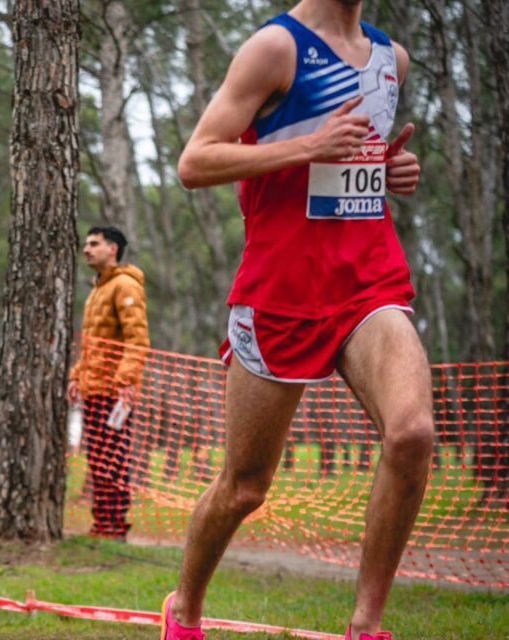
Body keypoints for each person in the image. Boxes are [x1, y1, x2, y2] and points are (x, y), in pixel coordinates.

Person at [165, 1, 429, 639]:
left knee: (412, 433)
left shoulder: (391, 58)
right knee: (246, 486)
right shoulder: (276, 49)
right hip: (281, 291)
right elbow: (195, 162)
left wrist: (391, 170)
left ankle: (366, 625)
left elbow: (356, 158)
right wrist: (309, 145)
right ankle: (184, 611)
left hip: (369, 280)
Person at [66, 226, 150, 542]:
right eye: (86, 244)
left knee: (113, 459)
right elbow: (95, 345)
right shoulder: (99, 288)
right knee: (99, 459)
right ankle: (102, 524)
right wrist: (76, 375)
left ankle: (115, 526)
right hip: (93, 388)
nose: (86, 249)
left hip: (114, 393)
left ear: (113, 248)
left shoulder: (125, 285)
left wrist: (126, 382)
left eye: (94, 244)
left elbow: (137, 339)